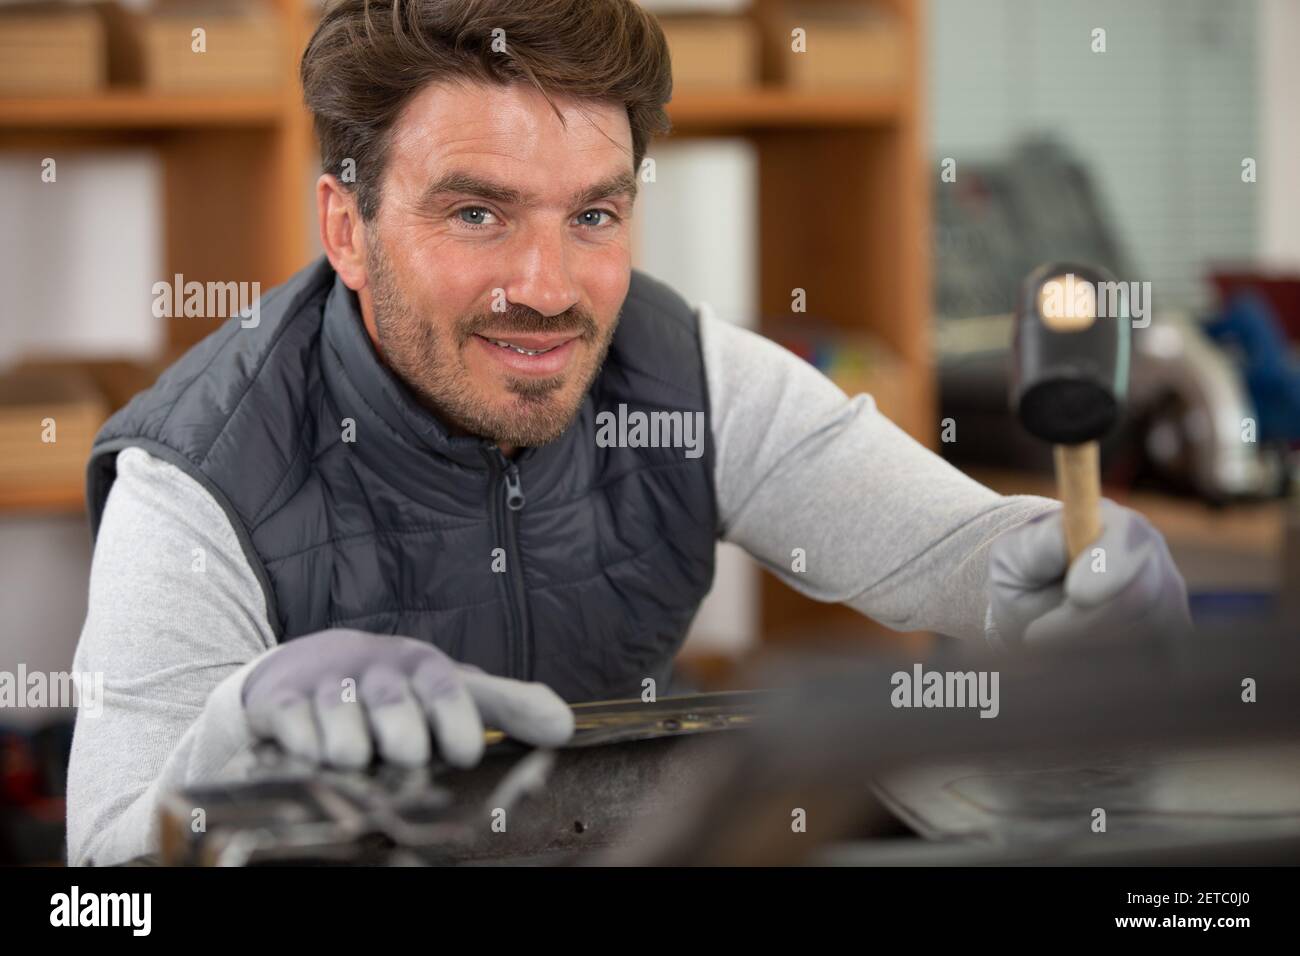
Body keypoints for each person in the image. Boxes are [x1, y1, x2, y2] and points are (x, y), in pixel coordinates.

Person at [65, 0, 1190, 866]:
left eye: (593, 213)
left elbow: (953, 553)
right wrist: (233, 733)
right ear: (346, 228)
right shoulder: (195, 480)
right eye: (476, 211)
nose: (547, 289)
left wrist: (1046, 576)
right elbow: (99, 882)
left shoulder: (684, 375)